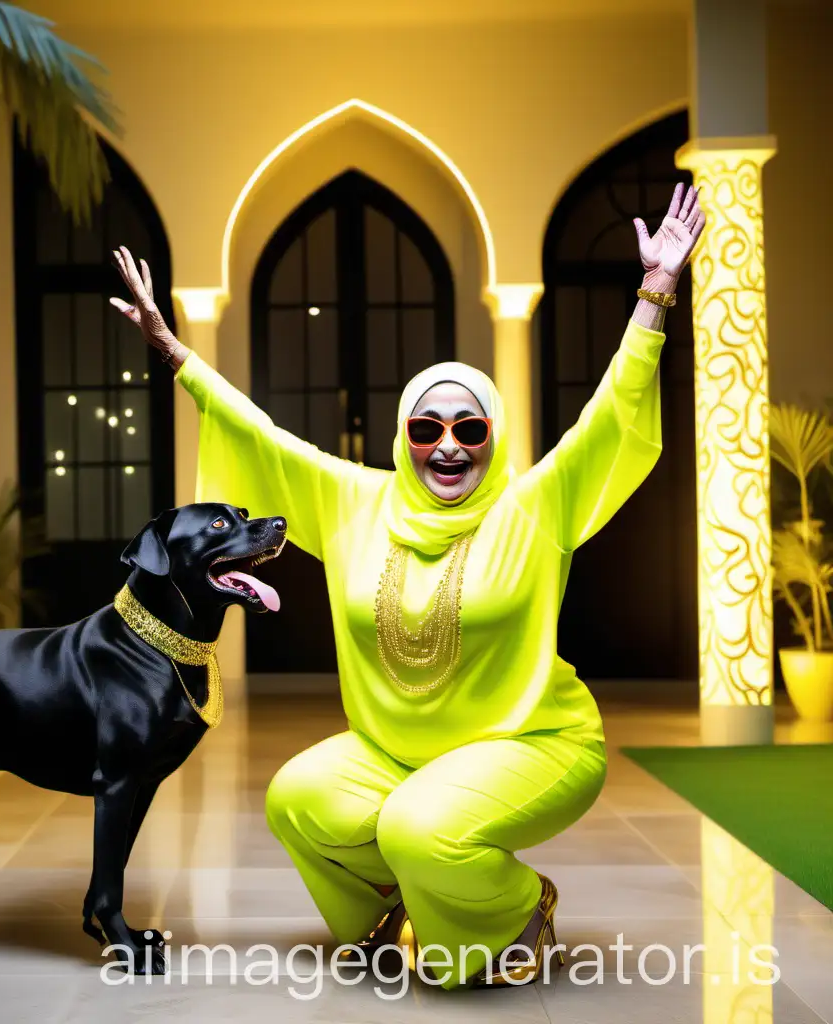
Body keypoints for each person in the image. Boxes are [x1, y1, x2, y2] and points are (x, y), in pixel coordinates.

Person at [109, 182, 705, 989]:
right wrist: (175, 354)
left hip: (533, 744)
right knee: (297, 800)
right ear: (404, 438)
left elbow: (609, 416)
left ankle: (517, 910)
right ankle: (392, 913)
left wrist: (657, 292)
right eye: (427, 429)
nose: (448, 446)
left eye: (470, 428)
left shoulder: (534, 505)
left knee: (421, 828)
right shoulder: (358, 501)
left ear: (494, 435)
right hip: (398, 755)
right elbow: (263, 435)